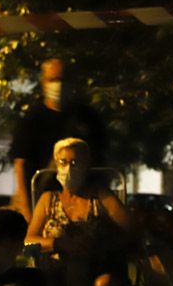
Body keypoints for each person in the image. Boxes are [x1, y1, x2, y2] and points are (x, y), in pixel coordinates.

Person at [25, 137, 137, 286]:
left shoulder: (100, 196)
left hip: (97, 270)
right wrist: (58, 242)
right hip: (58, 276)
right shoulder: (48, 200)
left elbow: (130, 229)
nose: (68, 168)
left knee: (105, 285)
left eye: (75, 162)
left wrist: (97, 242)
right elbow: (28, 239)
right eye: (63, 162)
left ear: (87, 164)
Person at [10, 58, 107, 221]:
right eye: (53, 79)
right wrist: (27, 210)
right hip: (45, 200)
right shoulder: (32, 119)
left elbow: (102, 158)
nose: (58, 85)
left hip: (85, 199)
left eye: (62, 79)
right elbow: (20, 164)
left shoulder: (87, 117)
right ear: (43, 82)